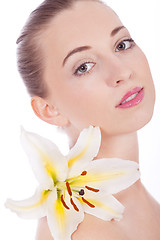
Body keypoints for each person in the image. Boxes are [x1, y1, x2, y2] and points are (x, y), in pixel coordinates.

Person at [16, 0, 160, 239]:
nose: (122, 72)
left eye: (122, 44)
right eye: (84, 66)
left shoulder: (134, 196)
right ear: (49, 109)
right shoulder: (81, 230)